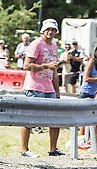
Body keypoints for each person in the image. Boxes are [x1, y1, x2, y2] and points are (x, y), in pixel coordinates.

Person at [21, 19, 64, 157]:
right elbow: (26, 66)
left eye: (53, 30)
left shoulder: (55, 46)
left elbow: (54, 70)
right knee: (29, 120)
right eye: (48, 29)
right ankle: (24, 150)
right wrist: (46, 66)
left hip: (48, 87)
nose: (50, 32)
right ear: (43, 30)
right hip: (34, 87)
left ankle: (53, 149)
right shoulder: (36, 44)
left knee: (56, 119)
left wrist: (57, 91)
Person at [78, 45, 97, 146]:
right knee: (84, 119)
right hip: (86, 92)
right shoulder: (91, 62)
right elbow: (86, 78)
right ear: (96, 52)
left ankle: (93, 142)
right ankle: (82, 141)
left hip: (95, 94)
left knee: (94, 119)